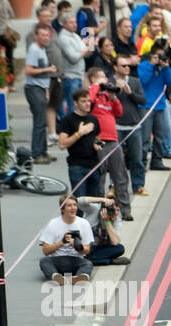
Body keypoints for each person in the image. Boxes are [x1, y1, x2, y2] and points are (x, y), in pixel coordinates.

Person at [85, 67, 131, 219]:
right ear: (93, 79)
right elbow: (89, 102)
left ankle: (125, 210)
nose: (106, 79)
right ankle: (100, 210)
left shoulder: (107, 98)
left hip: (113, 141)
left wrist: (114, 97)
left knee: (121, 176)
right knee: (100, 178)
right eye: (102, 77)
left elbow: (119, 112)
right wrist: (96, 87)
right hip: (99, 141)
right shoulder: (92, 96)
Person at [137, 44, 171, 171]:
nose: (159, 59)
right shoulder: (143, 66)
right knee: (145, 136)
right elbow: (143, 81)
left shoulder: (163, 67)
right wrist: (151, 65)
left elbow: (170, 83)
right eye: (157, 56)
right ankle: (142, 161)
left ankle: (157, 160)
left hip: (160, 105)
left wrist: (166, 68)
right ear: (151, 55)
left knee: (160, 135)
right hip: (146, 106)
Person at [24, 24, 59, 163]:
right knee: (39, 122)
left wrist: (46, 91)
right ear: (36, 36)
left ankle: (43, 152)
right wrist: (48, 70)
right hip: (33, 88)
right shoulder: (34, 49)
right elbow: (28, 70)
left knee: (42, 121)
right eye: (43, 35)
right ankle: (37, 154)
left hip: (40, 89)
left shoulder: (41, 49)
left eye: (47, 35)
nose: (46, 38)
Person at [112, 59, 148, 196]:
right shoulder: (110, 81)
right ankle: (114, 187)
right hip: (116, 126)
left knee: (137, 158)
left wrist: (130, 93)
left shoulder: (134, 81)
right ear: (115, 67)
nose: (127, 67)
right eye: (123, 65)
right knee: (116, 161)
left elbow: (143, 100)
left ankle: (138, 185)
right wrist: (116, 91)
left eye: (128, 65)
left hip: (134, 126)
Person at [57, 88, 101, 197]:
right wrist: (79, 133)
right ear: (75, 103)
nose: (87, 104)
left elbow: (97, 138)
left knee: (94, 204)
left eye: (88, 101)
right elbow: (62, 144)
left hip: (94, 165)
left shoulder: (93, 119)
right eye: (83, 101)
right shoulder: (68, 120)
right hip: (77, 166)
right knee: (80, 202)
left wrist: (98, 144)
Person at [80, 195, 129, 266]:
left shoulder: (117, 218)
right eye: (112, 209)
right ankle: (109, 260)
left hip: (101, 248)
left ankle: (91, 260)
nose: (115, 213)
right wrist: (101, 199)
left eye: (118, 210)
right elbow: (79, 201)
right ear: (104, 209)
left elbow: (115, 242)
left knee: (120, 248)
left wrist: (107, 221)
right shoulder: (95, 209)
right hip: (87, 247)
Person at [56, 9, 87, 118]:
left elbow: (85, 53)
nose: (75, 24)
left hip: (78, 75)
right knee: (72, 107)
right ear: (64, 24)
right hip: (70, 76)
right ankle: (69, 131)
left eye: (75, 22)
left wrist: (84, 51)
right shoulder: (63, 38)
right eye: (71, 22)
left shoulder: (76, 36)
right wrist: (84, 50)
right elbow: (73, 57)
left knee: (77, 107)